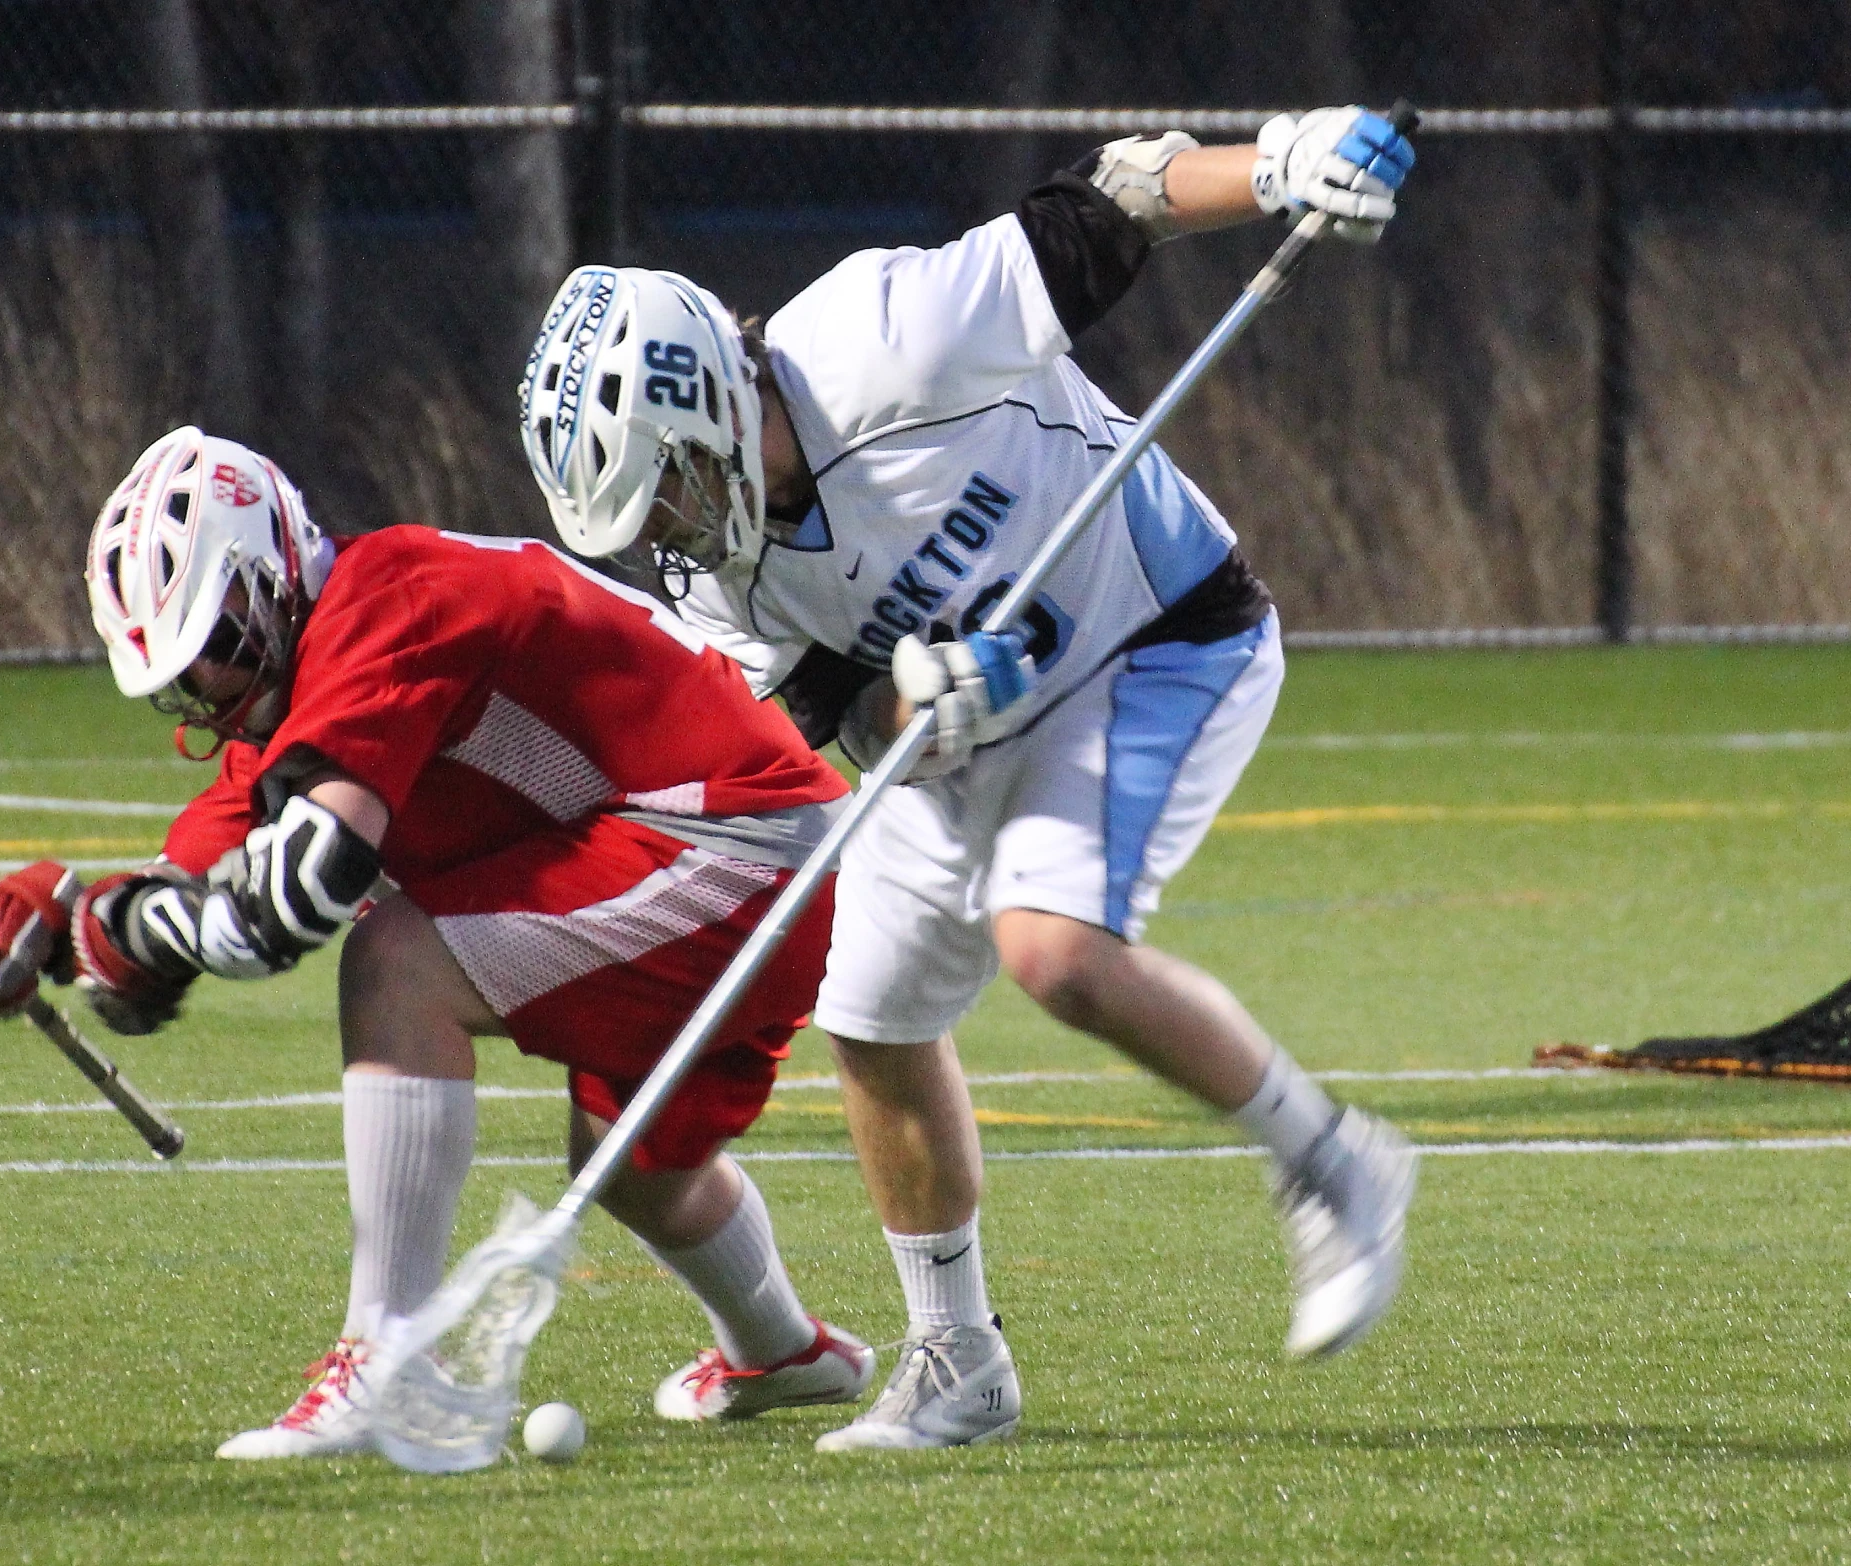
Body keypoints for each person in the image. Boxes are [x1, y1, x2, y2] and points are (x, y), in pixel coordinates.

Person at [518, 107, 1421, 1451]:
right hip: (977, 729)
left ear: (709, 395)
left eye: (667, 489)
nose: (667, 530)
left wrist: (1283, 165)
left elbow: (1113, 203)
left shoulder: (884, 340)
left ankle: (1335, 1160)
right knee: (868, 1008)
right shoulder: (718, 574)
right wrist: (912, 705)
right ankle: (958, 1361)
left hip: (1156, 633)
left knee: (1054, 949)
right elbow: (833, 714)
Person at [0, 426, 877, 1459]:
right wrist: (64, 927)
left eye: (218, 630)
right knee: (638, 1164)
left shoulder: (386, 601)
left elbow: (289, 902)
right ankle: (783, 1352)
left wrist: (123, 928)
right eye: (186, 663)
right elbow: (193, 886)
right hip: (743, 847)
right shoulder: (330, 655)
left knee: (399, 963)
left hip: (736, 842)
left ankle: (386, 1360)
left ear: (274, 567)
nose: (207, 676)